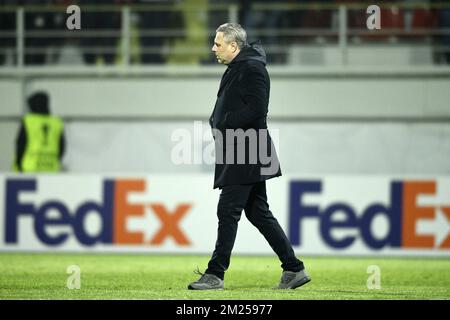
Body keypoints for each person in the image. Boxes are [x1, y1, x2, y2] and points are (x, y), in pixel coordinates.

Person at [188, 23, 310, 290]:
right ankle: (293, 268)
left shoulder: (252, 68)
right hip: (243, 148)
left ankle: (215, 274)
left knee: (228, 210)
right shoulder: (241, 67)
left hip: (247, 150)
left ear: (234, 46)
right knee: (258, 212)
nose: (213, 48)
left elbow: (257, 109)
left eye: (218, 44)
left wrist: (224, 123)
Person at [14, 91, 66, 172]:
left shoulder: (28, 121)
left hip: (29, 167)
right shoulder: (56, 122)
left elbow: (20, 144)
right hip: (51, 167)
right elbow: (62, 147)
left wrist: (18, 163)